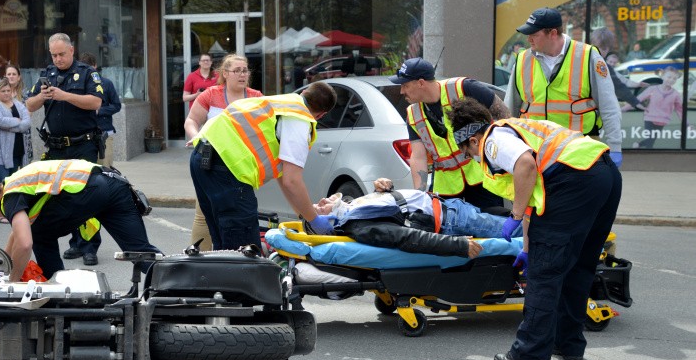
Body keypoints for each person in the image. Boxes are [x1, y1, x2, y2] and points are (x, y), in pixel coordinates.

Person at [447, 98, 621, 360]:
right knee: (579, 266)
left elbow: (525, 165)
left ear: (473, 140)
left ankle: (529, 354)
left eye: (468, 153)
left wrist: (514, 216)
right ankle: (569, 343)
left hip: (573, 180)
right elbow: (534, 201)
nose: (472, 158)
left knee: (544, 273)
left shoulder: (492, 140)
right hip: (604, 174)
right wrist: (527, 248)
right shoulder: (521, 129)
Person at [189, 80, 337, 251]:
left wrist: (304, 214)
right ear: (321, 115)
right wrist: (314, 221)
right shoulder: (299, 119)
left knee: (223, 242)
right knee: (244, 251)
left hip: (202, 157)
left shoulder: (283, 103)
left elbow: (284, 177)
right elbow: (292, 182)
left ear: (303, 93)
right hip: (227, 166)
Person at [0, 160, 160, 280]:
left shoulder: (10, 196)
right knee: (140, 252)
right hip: (114, 184)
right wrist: (2, 269)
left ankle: (56, 291)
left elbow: (25, 244)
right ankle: (174, 284)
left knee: (39, 234)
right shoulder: (16, 181)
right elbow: (16, 235)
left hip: (87, 190)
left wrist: (12, 284)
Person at [503, 7, 623, 166]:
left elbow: (608, 105)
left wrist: (615, 146)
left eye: (534, 34)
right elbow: (509, 109)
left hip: (580, 152)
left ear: (552, 33)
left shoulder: (588, 56)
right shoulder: (522, 60)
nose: (529, 39)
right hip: (535, 151)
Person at [25, 33, 104, 266]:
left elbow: (96, 102)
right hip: (57, 148)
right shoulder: (47, 75)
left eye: (61, 54)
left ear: (71, 50)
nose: (58, 59)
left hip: (83, 146)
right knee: (62, 199)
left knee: (87, 197)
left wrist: (65, 96)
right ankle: (74, 244)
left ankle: (89, 247)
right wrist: (42, 96)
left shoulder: (87, 73)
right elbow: (29, 104)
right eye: (54, 55)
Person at [391, 57, 508, 211]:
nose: (401, 91)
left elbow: (504, 114)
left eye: (405, 85)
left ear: (421, 83)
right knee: (444, 225)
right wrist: (420, 196)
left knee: (493, 221)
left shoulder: (464, 88)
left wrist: (506, 156)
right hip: (446, 187)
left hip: (482, 177)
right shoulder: (413, 114)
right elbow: (418, 157)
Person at [312, 176, 508, 258]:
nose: (321, 200)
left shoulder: (355, 210)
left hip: (451, 207)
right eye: (319, 208)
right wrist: (457, 245)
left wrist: (384, 189)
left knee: (513, 218)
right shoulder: (358, 225)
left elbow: (395, 213)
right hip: (452, 220)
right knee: (516, 229)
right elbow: (407, 236)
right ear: (329, 222)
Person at [183, 54, 263, 248]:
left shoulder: (256, 97)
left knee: (236, 214)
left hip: (241, 165)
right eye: (237, 71)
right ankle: (200, 259)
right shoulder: (211, 94)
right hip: (212, 163)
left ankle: (230, 255)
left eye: (245, 70)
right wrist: (196, 137)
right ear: (225, 73)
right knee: (204, 214)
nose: (242, 74)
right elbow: (191, 120)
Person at [0, 79, 32, 183]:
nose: (6, 93)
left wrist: (11, 128)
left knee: (11, 185)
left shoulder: (17, 104)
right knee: (2, 185)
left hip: (15, 152)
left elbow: (27, 123)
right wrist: (17, 120)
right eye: (3, 91)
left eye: (8, 90)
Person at [79, 52, 121, 167]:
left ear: (95, 66)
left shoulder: (106, 83)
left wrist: (99, 111)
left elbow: (117, 105)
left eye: (90, 69)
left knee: (105, 168)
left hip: (104, 133)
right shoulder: (78, 86)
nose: (88, 73)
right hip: (84, 136)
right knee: (86, 171)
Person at [591, 28, 647, 111]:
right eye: (595, 47)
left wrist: (635, 102)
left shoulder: (606, 68)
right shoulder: (582, 61)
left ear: (609, 49)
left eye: (603, 49)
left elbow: (619, 86)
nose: (598, 51)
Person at [634, 66, 688, 149]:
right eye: (669, 77)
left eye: (674, 79)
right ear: (662, 76)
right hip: (649, 118)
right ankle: (648, 155)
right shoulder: (653, 89)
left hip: (662, 120)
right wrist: (622, 109)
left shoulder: (675, 94)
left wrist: (687, 124)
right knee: (650, 141)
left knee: (652, 139)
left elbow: (680, 110)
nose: (671, 80)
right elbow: (636, 100)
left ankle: (638, 145)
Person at [4, 64, 35, 162]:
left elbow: (29, 114)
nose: (11, 76)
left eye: (14, 74)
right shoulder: (1, 94)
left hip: (23, 134)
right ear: (5, 77)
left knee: (25, 166)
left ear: (19, 77)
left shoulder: (25, 93)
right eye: (9, 74)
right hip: (6, 134)